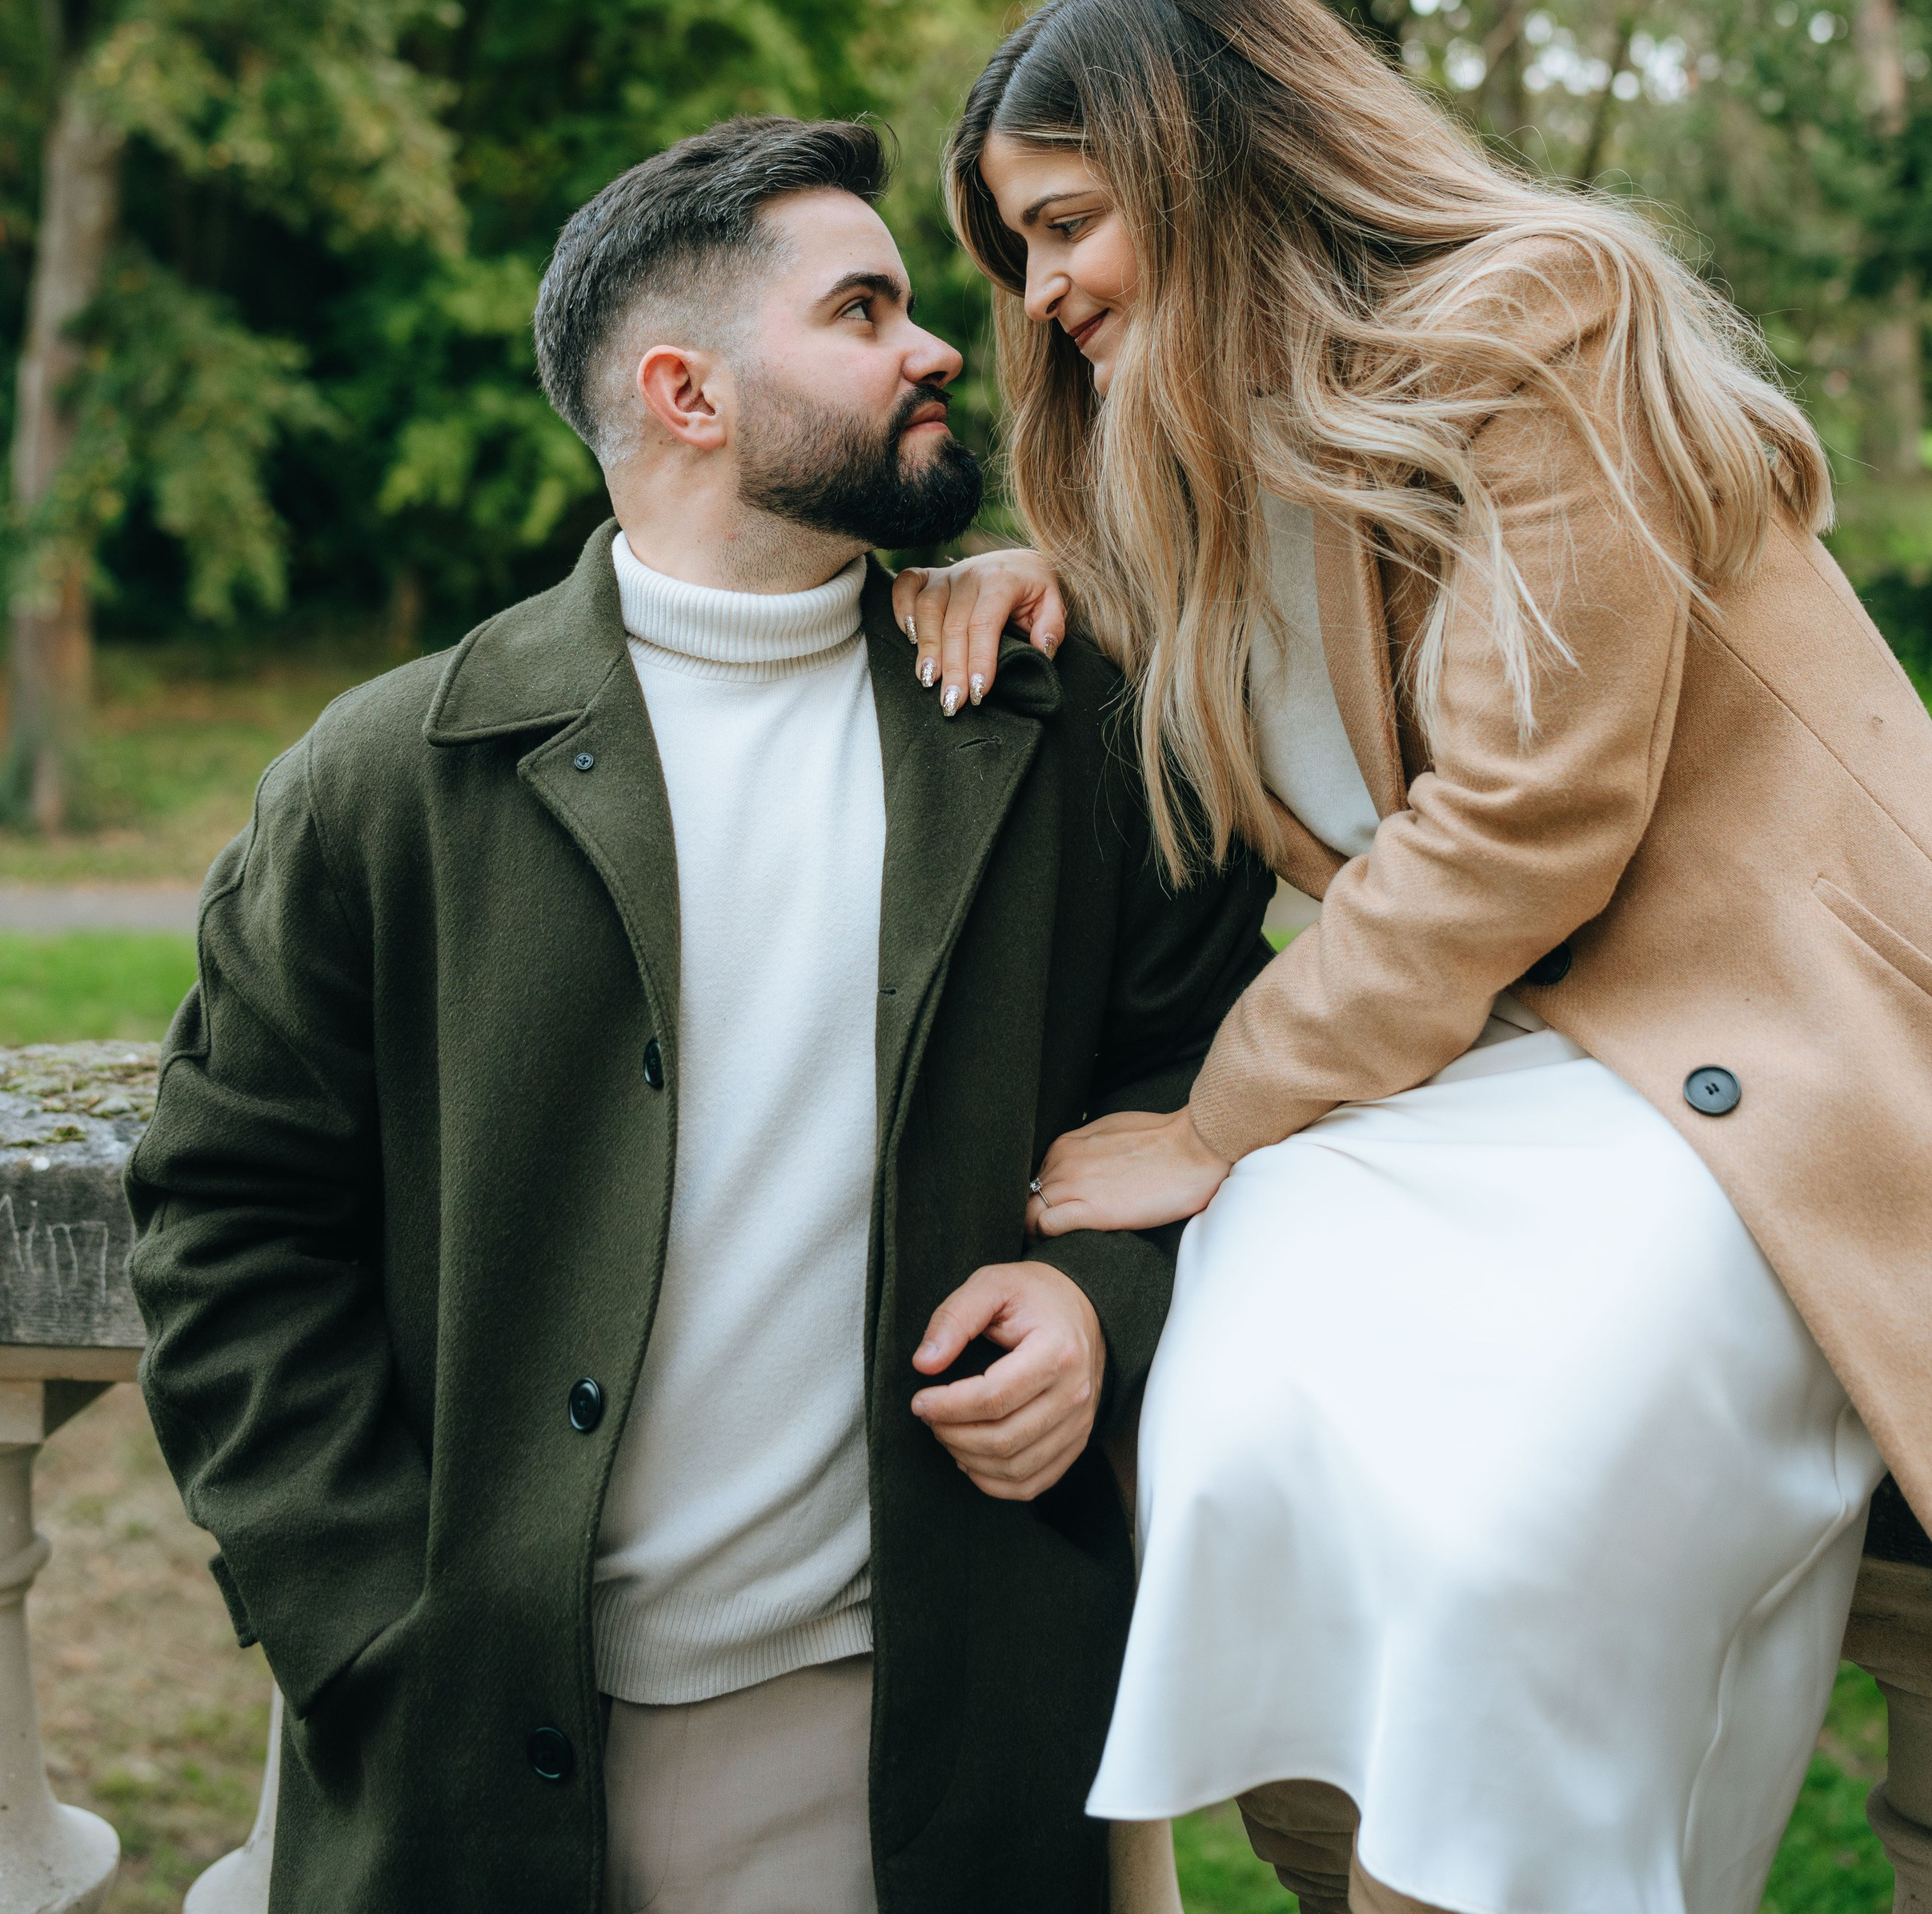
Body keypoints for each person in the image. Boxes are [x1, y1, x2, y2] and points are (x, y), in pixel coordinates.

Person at [898, 0, 1932, 1914]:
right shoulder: (1177, 458)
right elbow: (1252, 661)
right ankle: (1355, 1868)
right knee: (1240, 1435)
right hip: (1468, 1076)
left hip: (1751, 1051)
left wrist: (1209, 1125)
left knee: (1511, 1521)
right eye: (1018, 253)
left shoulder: (1538, 320)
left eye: (1069, 225)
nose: (1043, 292)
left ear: (1207, 161)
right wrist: (1035, 566)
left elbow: (1526, 818)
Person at [127, 113, 1274, 1914]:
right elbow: (224, 1224)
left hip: (923, 1745)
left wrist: (1097, 1302)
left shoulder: (1070, 745)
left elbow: (1213, 1083)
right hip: (471, 1752)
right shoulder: (377, 781)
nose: (937, 346)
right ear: (686, 392)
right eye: (863, 309)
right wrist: (365, 1625)